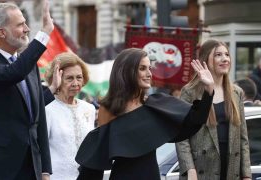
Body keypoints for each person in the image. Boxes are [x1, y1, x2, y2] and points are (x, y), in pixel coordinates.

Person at [75, 48, 215, 180]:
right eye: (142, 68)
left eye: (149, 68)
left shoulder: (156, 104)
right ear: (126, 72)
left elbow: (195, 120)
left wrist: (209, 90)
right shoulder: (109, 109)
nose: (149, 74)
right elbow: (97, 159)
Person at [0, 1, 54, 180]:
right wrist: (43, 34)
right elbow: (12, 73)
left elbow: (39, 121)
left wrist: (45, 169)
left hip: (31, 168)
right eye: (20, 24)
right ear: (2, 32)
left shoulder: (29, 66)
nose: (27, 29)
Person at [176, 39, 251, 180]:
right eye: (218, 55)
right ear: (205, 59)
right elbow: (182, 137)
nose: (225, 59)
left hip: (231, 169)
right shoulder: (190, 92)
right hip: (201, 170)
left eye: (227, 55)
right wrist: (189, 169)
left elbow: (243, 138)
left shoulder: (237, 92)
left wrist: (246, 174)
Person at [44, 52, 95, 180]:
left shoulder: (89, 108)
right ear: (57, 79)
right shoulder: (47, 109)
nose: (75, 83)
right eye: (69, 78)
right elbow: (40, 151)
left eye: (79, 77)